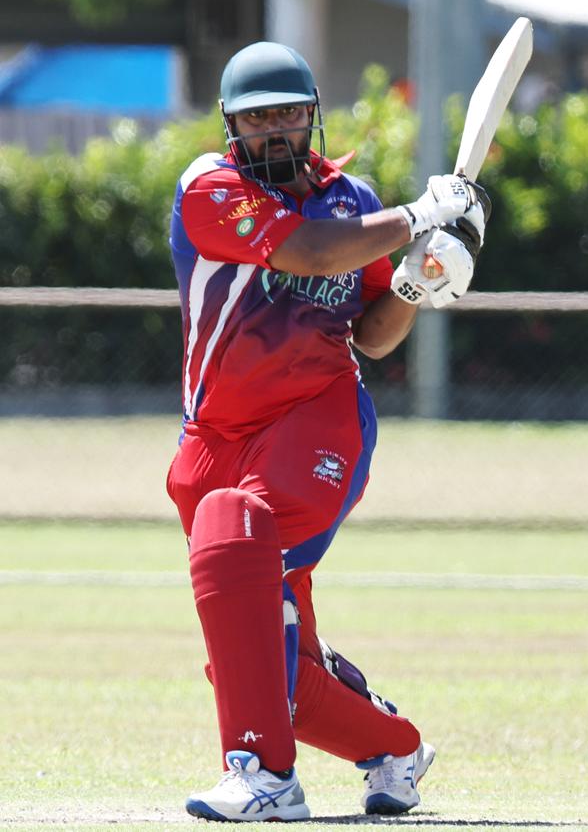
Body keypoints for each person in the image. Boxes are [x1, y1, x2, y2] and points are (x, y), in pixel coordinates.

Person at [167, 41, 490, 823]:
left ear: (314, 115)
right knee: (254, 658)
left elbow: (376, 334)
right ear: (230, 125)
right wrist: (420, 217)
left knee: (234, 529)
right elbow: (305, 251)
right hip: (214, 438)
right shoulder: (210, 188)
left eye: (288, 113)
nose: (274, 131)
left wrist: (420, 278)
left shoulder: (355, 202)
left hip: (319, 420)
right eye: (257, 118)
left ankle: (265, 777)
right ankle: (396, 748)